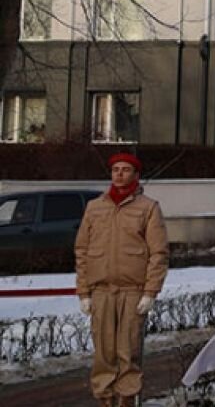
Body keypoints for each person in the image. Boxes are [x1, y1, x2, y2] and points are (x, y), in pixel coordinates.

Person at [74, 152, 169, 407]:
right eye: (116, 169)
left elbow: (158, 253)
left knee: (128, 351)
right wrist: (83, 292)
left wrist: (150, 292)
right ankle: (105, 400)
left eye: (126, 170)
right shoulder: (94, 207)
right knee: (103, 353)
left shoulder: (148, 208)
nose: (120, 174)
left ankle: (127, 399)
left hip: (132, 291)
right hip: (101, 291)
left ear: (136, 175)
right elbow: (82, 251)